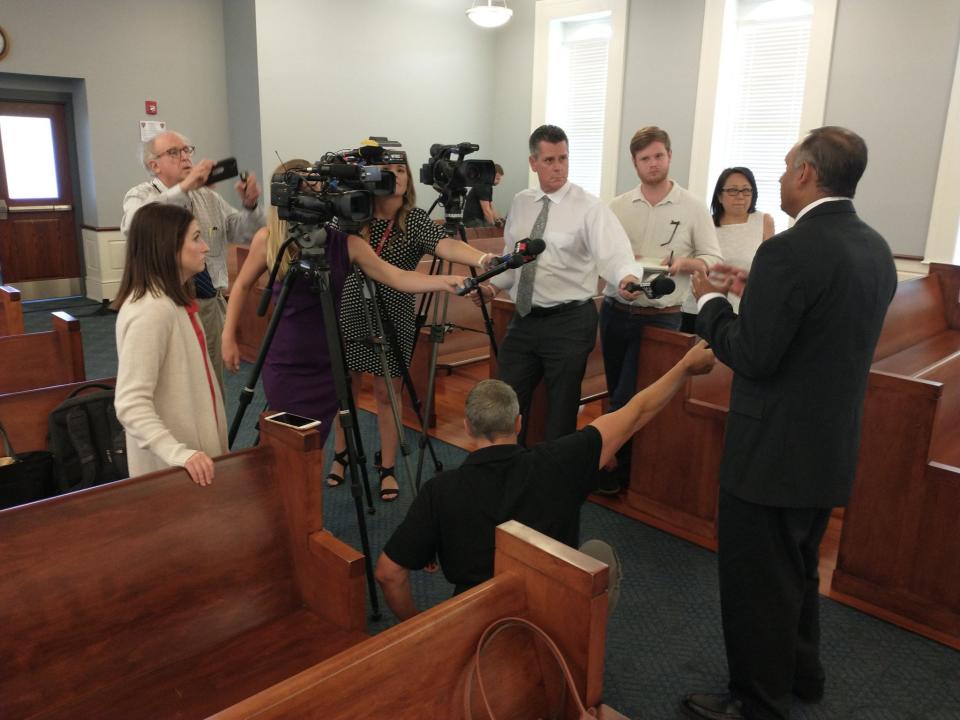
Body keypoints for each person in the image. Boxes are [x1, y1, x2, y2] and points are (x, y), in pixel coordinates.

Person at [682, 127, 897, 720]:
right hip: (828, 446)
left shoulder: (789, 251)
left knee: (757, 584)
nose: (777, 179)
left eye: (784, 168)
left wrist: (711, 304)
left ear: (806, 173)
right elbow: (821, 329)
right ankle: (803, 676)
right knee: (798, 572)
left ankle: (756, 701)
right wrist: (762, 293)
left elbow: (753, 355)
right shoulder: (875, 248)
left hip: (771, 452)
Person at [374, 340, 716, 620]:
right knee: (599, 554)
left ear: (467, 427)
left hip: (475, 620)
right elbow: (637, 410)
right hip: (550, 611)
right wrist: (684, 366)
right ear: (519, 423)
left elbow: (388, 573)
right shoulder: (560, 462)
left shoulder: (440, 491)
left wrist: (418, 625)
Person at [221, 159, 466, 449]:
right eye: (304, 186)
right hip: (286, 359)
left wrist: (444, 283)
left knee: (314, 443)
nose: (313, 192)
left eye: (316, 185)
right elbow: (242, 285)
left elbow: (397, 277)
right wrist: (228, 336)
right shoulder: (271, 239)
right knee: (283, 439)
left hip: (328, 360)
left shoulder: (345, 244)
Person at [475, 124, 644, 447]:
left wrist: (627, 278)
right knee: (502, 405)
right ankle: (506, 473)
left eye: (563, 158)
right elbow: (513, 261)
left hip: (569, 322)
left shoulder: (589, 207)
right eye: (550, 160)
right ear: (533, 162)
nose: (558, 167)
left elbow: (615, 255)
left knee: (561, 413)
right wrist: (492, 287)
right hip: (525, 320)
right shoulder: (522, 203)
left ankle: (553, 485)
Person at [597, 126, 722, 493]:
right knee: (617, 389)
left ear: (669, 155)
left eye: (658, 156)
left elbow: (713, 259)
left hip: (662, 316)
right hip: (617, 311)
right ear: (634, 163)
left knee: (636, 395)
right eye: (644, 158)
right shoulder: (618, 206)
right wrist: (618, 277)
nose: (653, 164)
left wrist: (685, 262)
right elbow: (603, 257)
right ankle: (619, 460)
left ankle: (613, 465)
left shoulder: (693, 207)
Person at [120, 130, 264, 394]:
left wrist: (250, 205)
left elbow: (242, 231)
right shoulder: (140, 196)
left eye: (188, 150)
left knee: (210, 385)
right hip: (162, 304)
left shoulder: (207, 197)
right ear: (154, 165)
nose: (185, 157)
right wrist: (184, 188)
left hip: (207, 303)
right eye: (174, 152)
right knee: (172, 385)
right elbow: (136, 225)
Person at [114, 203, 228, 487]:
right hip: (173, 469)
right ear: (168, 247)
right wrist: (178, 453)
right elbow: (130, 403)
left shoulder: (176, 301)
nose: (205, 248)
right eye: (196, 238)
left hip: (194, 462)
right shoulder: (151, 311)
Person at [709, 166, 775, 314]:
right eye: (733, 190)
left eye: (746, 190)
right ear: (719, 196)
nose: (740, 196)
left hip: (747, 307)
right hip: (709, 305)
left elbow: (769, 269)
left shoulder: (764, 221)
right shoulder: (707, 224)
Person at [463, 163, 505, 227]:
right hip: (472, 220)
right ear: (490, 175)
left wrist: (498, 220)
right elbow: (486, 211)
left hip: (479, 219)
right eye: (497, 178)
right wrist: (494, 226)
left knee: (495, 226)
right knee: (492, 230)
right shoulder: (482, 186)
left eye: (499, 179)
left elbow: (491, 206)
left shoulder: (488, 186)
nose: (498, 182)